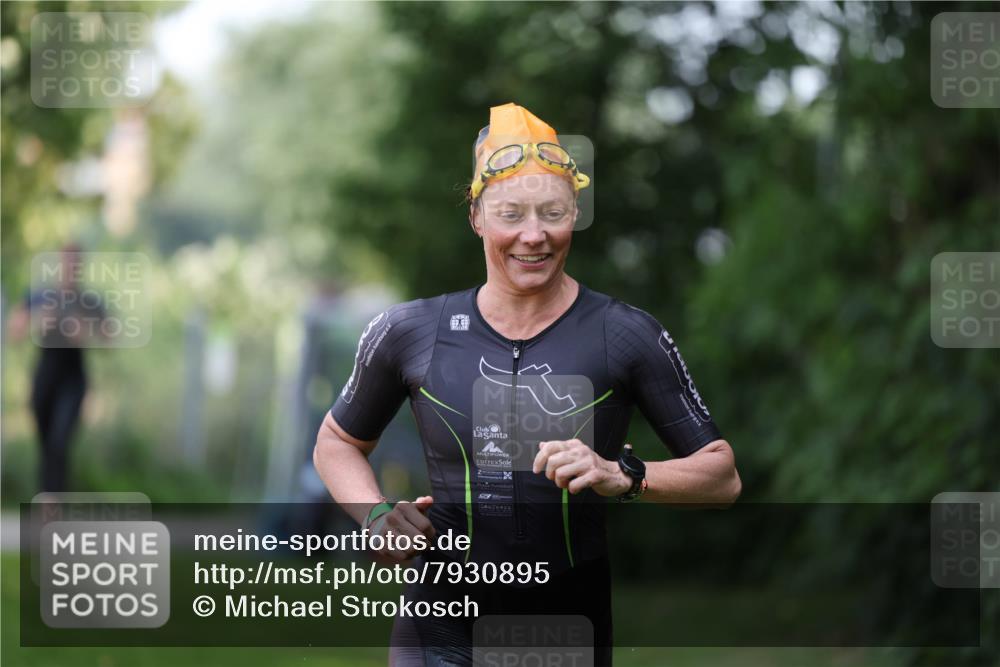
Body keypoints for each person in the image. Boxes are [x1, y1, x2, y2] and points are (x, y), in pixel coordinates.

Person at [313, 102, 742, 666]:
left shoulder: (625, 334)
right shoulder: (412, 332)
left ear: (575, 215)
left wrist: (625, 475)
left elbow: (722, 476)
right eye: (511, 214)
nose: (534, 236)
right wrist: (373, 516)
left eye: (553, 213)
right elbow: (336, 442)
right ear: (477, 217)